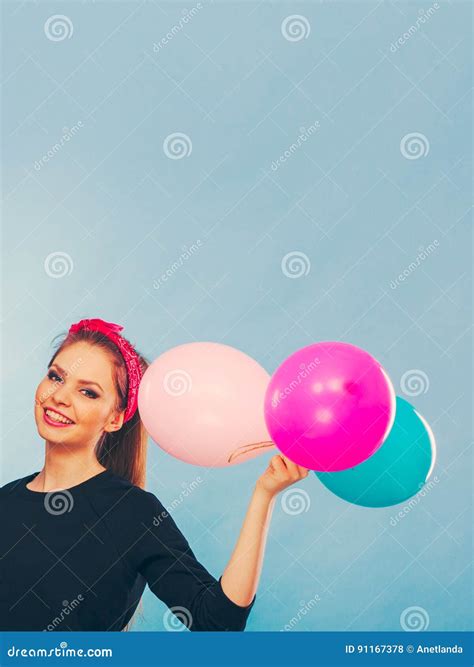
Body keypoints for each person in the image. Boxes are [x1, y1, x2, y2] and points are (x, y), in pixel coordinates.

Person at [0, 318, 309, 632]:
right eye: (56, 377)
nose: (60, 397)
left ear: (116, 419)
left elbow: (217, 622)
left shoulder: (132, 513)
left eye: (88, 392)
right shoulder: (5, 500)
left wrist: (264, 494)